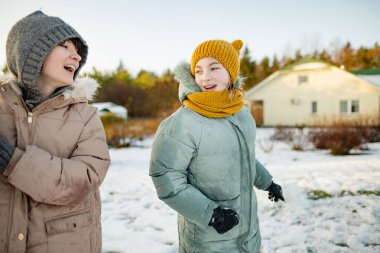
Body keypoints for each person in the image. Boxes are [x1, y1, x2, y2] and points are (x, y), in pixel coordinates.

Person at [149, 39, 285, 253]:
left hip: (248, 234)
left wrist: (267, 182)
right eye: (199, 70)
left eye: (214, 68)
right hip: (207, 239)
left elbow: (244, 158)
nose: (205, 77)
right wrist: (210, 213)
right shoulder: (183, 123)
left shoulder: (242, 114)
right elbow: (166, 176)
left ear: (231, 72)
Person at [0, 11, 110, 253]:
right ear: (30, 53)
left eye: (78, 50)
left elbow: (87, 178)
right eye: (64, 45)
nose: (77, 55)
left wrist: (11, 161)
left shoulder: (85, 116)